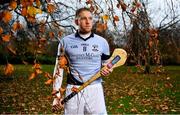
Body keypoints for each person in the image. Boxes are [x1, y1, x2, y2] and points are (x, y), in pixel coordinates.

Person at [52, 7, 113, 114]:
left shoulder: (102, 42)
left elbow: (107, 65)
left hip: (95, 89)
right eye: (84, 18)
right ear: (77, 21)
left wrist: (108, 70)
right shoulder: (65, 42)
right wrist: (57, 95)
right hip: (73, 89)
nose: (88, 21)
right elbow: (58, 71)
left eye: (90, 18)